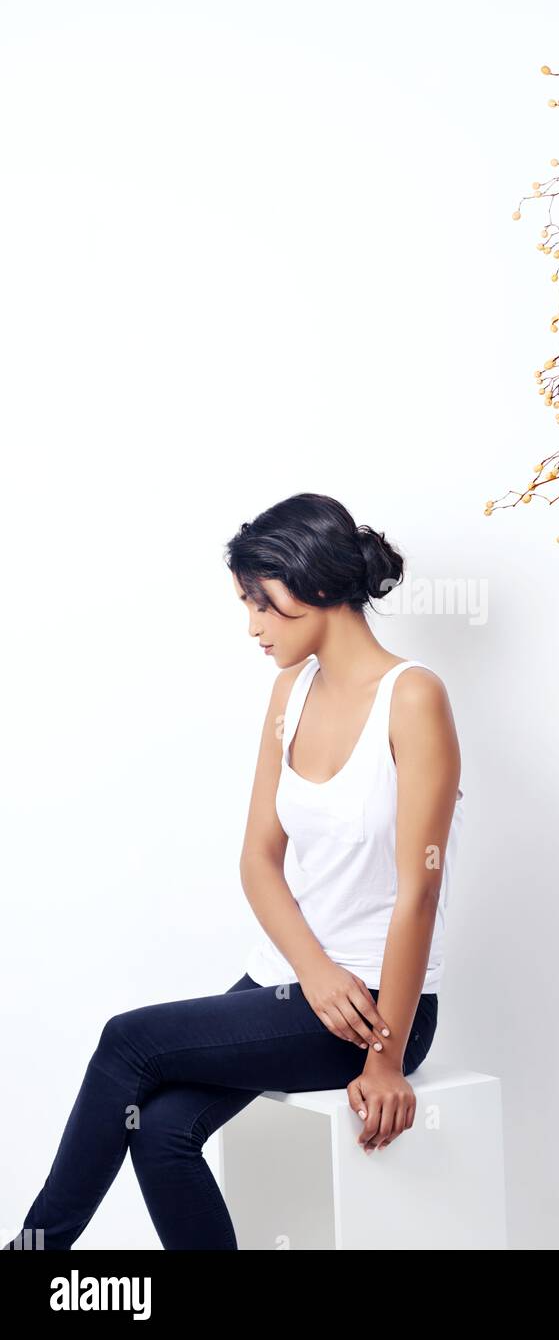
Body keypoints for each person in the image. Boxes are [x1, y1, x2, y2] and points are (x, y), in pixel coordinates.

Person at [3, 491, 464, 1250]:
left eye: (259, 603)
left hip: (378, 1010)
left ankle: (34, 1250)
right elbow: (258, 859)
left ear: (312, 583)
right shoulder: (290, 691)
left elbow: (420, 889)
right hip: (292, 984)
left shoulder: (412, 697)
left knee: (127, 1041)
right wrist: (311, 971)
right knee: (158, 1130)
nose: (250, 626)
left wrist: (385, 1060)